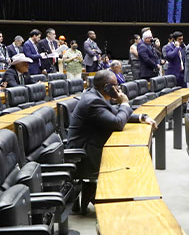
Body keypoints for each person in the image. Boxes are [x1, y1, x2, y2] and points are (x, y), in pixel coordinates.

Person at [66, 70, 156, 213]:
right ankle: (115, 199)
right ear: (107, 87)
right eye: (116, 85)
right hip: (86, 154)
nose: (119, 88)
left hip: (92, 146)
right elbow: (117, 123)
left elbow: (112, 113)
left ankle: (115, 197)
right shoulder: (93, 101)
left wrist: (142, 117)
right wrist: (125, 104)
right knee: (128, 156)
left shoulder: (95, 95)